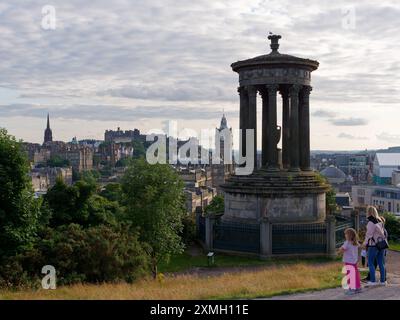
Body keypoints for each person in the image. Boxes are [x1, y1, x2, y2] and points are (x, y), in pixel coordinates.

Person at [363, 206, 387, 286]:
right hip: (381, 244)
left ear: (369, 212)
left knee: (370, 262)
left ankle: (372, 281)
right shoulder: (380, 221)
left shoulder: (371, 222)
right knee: (381, 262)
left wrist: (364, 243)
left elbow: (369, 235)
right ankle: (383, 281)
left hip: (373, 245)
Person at [339, 228, 361, 295]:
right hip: (354, 261)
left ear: (349, 235)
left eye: (346, 234)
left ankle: (352, 289)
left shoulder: (347, 242)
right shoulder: (356, 243)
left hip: (348, 262)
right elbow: (359, 248)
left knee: (350, 275)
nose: (345, 235)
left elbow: (342, 249)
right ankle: (358, 287)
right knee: (355, 275)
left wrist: (339, 251)